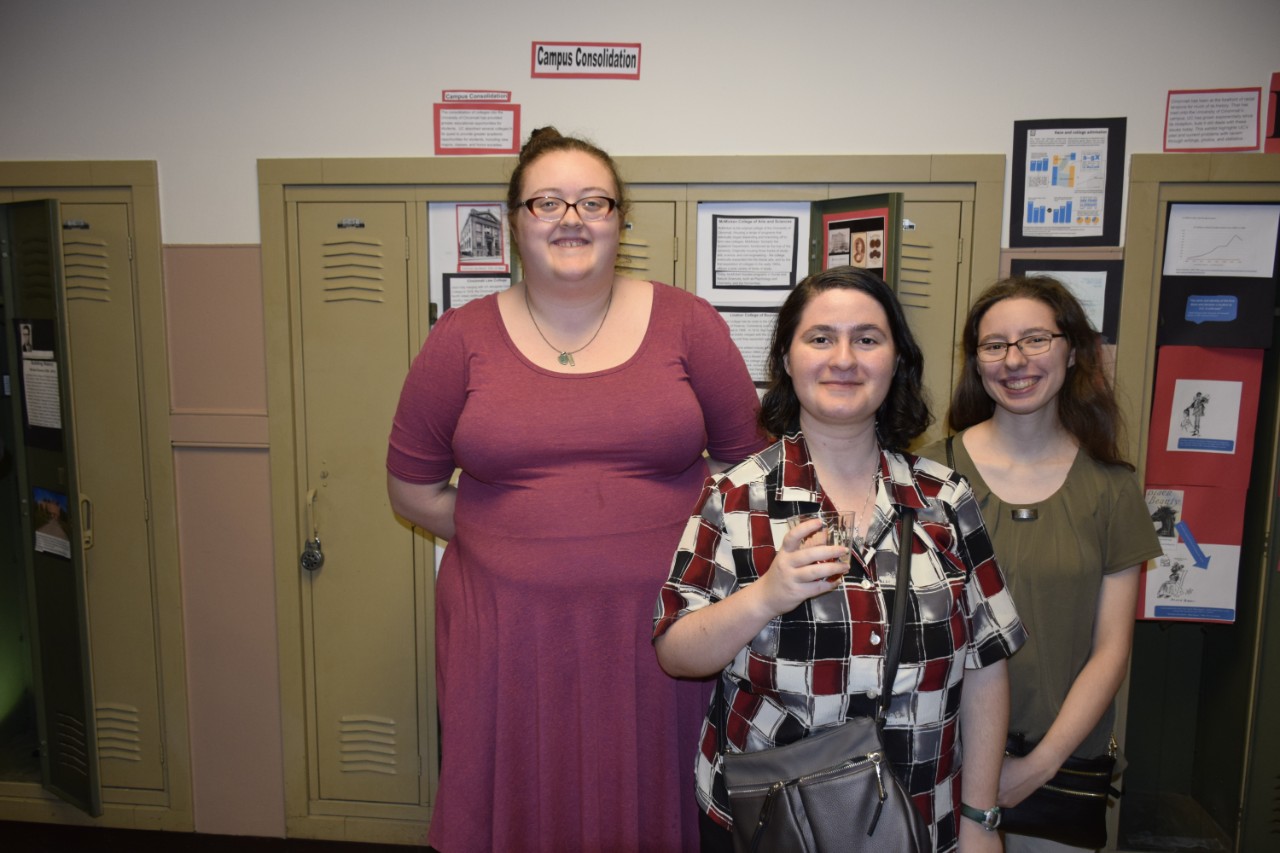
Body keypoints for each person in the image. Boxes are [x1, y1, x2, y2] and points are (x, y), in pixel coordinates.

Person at [386, 127, 764, 852]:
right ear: (515, 225)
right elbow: (412, 489)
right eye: (547, 202)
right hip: (508, 636)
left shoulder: (690, 325)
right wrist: (514, 542)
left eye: (594, 201)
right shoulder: (459, 341)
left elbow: (749, 473)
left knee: (656, 809)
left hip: (665, 638)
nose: (571, 218)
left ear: (621, 221)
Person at [654, 266, 1027, 853]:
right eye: (821, 338)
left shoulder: (944, 500)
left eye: (868, 339)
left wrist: (980, 817)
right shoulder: (735, 498)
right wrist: (766, 596)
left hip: (923, 818)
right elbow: (676, 652)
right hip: (772, 826)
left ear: (897, 361)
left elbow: (986, 663)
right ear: (787, 359)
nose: (844, 359)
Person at [919, 276, 1163, 853]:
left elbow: (1111, 650)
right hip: (937, 765)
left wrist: (1039, 765)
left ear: (1072, 350)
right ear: (976, 363)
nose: (1015, 360)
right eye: (995, 345)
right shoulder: (926, 477)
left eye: (1035, 339)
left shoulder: (1112, 488)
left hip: (1061, 771)